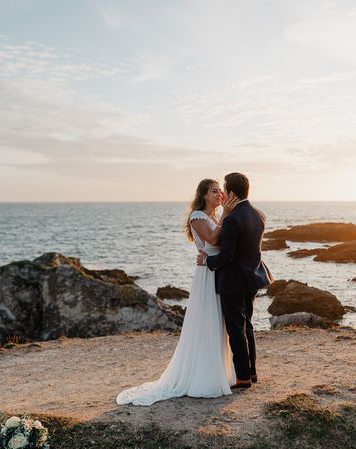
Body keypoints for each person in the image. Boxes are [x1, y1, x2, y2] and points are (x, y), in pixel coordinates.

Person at [116, 179, 239, 405]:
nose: (219, 194)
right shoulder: (198, 216)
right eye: (214, 191)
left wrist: (224, 215)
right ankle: (203, 377)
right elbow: (212, 239)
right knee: (206, 321)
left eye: (220, 191)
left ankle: (219, 372)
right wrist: (226, 213)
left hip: (215, 270)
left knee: (217, 322)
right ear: (203, 195)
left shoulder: (215, 216)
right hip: (206, 275)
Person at [197, 172, 274, 389]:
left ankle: (243, 378)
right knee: (247, 324)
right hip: (253, 277)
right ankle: (252, 372)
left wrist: (207, 260)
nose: (222, 192)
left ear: (231, 192)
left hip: (233, 281)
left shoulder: (232, 219)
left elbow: (226, 257)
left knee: (236, 329)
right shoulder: (259, 214)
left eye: (224, 189)